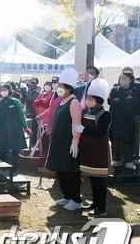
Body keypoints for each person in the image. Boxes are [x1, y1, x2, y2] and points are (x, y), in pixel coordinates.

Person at [44, 68, 83, 211]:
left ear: (68, 88)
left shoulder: (73, 103)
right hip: (58, 141)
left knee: (70, 171)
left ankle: (76, 199)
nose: (58, 88)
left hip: (68, 141)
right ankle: (66, 195)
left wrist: (75, 141)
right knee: (60, 170)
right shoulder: (61, 101)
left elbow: (76, 123)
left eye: (61, 86)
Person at [79, 78, 112, 217]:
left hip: (99, 151)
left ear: (97, 100)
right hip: (89, 150)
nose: (87, 100)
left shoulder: (105, 114)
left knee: (99, 181)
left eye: (90, 98)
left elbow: (100, 132)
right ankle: (95, 203)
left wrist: (83, 130)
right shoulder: (89, 111)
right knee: (93, 179)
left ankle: (101, 207)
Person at [0, 82, 31, 173]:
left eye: (4, 90)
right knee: (3, 149)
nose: (3, 92)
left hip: (15, 129)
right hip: (3, 129)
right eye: (1, 90)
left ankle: (15, 169)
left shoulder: (15, 101)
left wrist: (26, 127)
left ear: (10, 91)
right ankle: (4, 168)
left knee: (15, 150)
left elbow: (21, 115)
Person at [108, 71, 140, 170]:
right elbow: (110, 101)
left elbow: (135, 103)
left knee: (128, 141)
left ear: (131, 80)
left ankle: (129, 162)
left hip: (129, 119)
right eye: (121, 77)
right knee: (115, 140)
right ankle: (116, 161)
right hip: (116, 119)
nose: (123, 79)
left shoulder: (134, 90)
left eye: (125, 78)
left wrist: (119, 101)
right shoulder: (115, 89)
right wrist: (124, 100)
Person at [20, 78, 40, 147]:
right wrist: (22, 94)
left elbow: (32, 100)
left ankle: (33, 143)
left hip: (34, 114)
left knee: (34, 129)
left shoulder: (37, 93)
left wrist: (25, 95)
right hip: (27, 114)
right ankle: (28, 144)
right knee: (27, 129)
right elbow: (22, 101)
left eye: (32, 85)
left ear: (35, 86)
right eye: (28, 85)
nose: (30, 87)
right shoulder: (27, 93)